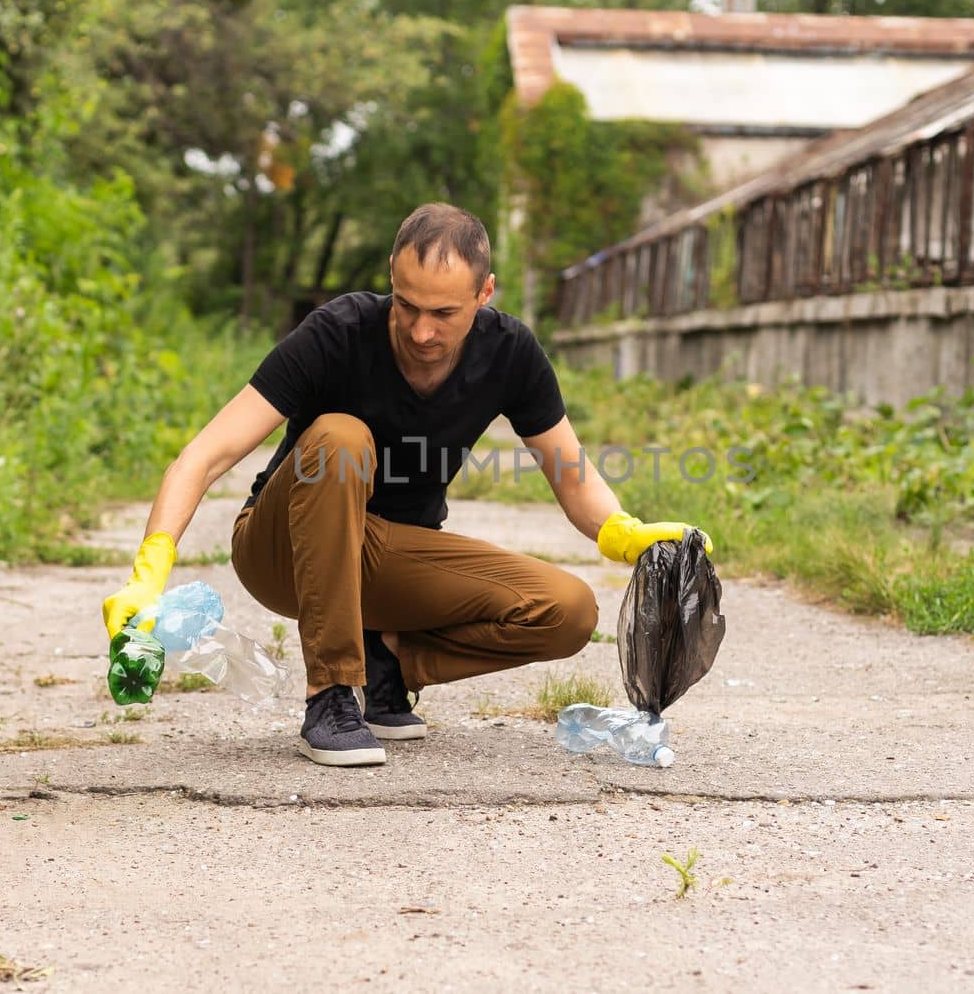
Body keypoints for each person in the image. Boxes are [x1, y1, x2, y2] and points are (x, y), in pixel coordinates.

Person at [102, 203, 710, 767]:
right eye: (406, 304)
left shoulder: (510, 353)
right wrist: (148, 573)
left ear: (484, 293)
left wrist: (625, 534)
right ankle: (332, 692)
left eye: (444, 313)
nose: (422, 331)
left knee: (567, 611)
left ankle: (387, 666)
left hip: (382, 556)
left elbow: (574, 477)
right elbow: (205, 456)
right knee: (340, 437)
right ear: (391, 280)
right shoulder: (337, 333)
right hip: (281, 549)